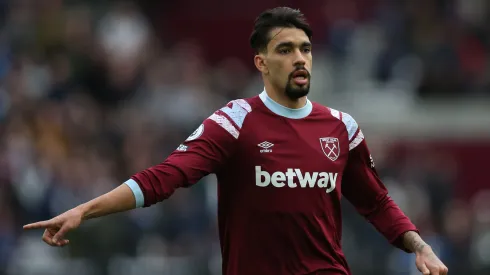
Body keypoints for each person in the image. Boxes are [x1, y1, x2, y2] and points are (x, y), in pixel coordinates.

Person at [24, 7, 448, 275]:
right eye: (285, 50)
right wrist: (87, 209)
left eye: (305, 49)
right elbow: (165, 178)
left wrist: (420, 246)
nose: (299, 58)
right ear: (261, 62)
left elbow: (376, 203)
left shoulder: (341, 127)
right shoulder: (235, 121)